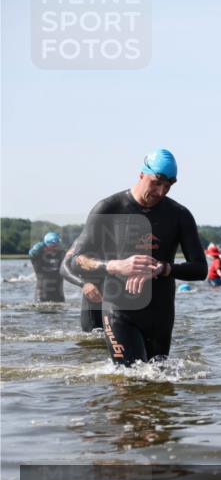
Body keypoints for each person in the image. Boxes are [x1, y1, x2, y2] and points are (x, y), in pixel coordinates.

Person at [66, 148, 207, 365]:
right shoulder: (109, 208)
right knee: (131, 377)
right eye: (156, 183)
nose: (161, 191)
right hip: (119, 311)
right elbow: (75, 261)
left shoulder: (179, 215)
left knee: (158, 381)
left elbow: (200, 269)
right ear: (141, 174)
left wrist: (164, 268)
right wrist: (115, 266)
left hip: (160, 314)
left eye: (168, 186)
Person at [60, 236, 103, 331]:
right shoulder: (84, 239)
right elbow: (64, 268)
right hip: (94, 299)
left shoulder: (126, 237)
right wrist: (84, 284)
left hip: (119, 300)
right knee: (93, 336)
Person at [28, 231, 66, 302]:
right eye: (54, 246)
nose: (56, 247)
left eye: (57, 245)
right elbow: (32, 253)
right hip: (41, 297)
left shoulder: (61, 255)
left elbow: (71, 261)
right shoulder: (38, 258)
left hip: (59, 297)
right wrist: (42, 244)